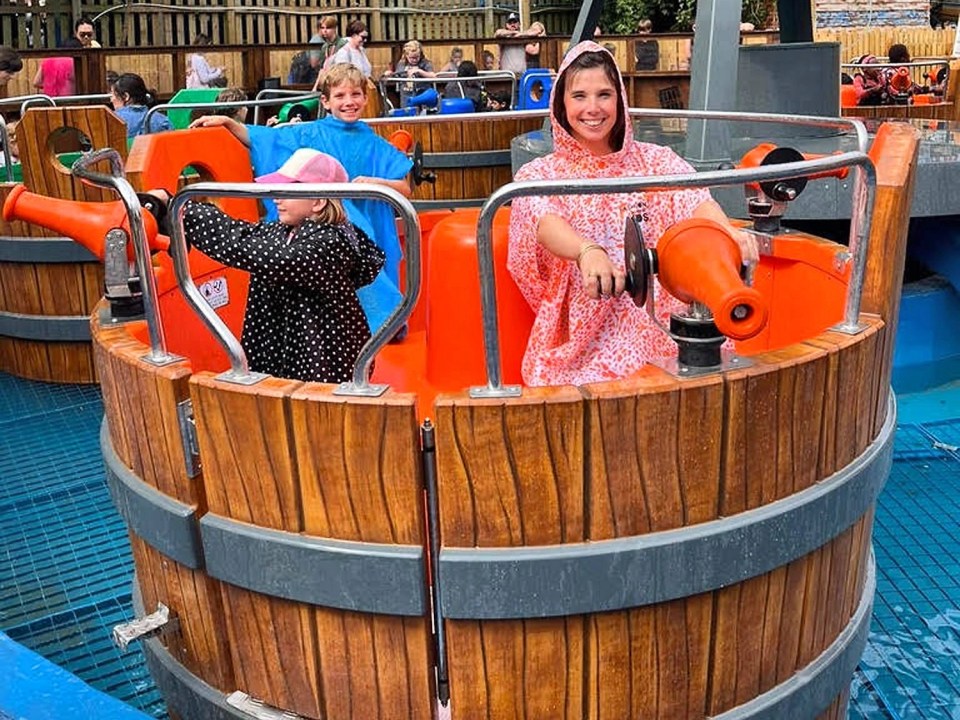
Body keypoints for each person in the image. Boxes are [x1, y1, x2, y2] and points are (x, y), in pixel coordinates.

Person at [507, 41, 757, 387]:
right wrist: (586, 251)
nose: (592, 108)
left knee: (701, 363)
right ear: (561, 104)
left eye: (604, 95)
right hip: (583, 324)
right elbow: (545, 220)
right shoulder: (540, 174)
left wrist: (725, 232)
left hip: (655, 316)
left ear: (620, 100)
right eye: (579, 96)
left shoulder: (654, 160)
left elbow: (695, 200)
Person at [190, 63, 412, 333]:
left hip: (369, 229)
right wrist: (229, 123)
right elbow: (269, 139)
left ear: (365, 98)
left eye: (355, 95)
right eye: (340, 96)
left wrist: (375, 184)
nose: (349, 102)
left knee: (371, 281)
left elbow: (404, 188)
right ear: (325, 101)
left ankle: (383, 328)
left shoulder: (376, 144)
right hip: (326, 229)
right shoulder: (310, 133)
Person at [143, 150, 384, 383]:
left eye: (286, 191)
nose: (276, 198)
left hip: (323, 362)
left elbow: (263, 255)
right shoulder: (289, 231)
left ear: (318, 202)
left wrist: (185, 212)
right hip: (287, 354)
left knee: (316, 413)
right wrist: (174, 205)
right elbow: (242, 232)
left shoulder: (329, 244)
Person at [110, 72, 173, 137]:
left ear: (126, 96)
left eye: (112, 95)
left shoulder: (111, 121)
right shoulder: (163, 121)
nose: (111, 100)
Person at [383, 40, 436, 106]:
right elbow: (397, 76)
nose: (414, 60)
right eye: (411, 58)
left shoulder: (425, 63)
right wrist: (390, 74)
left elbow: (433, 76)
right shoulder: (402, 64)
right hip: (406, 98)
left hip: (423, 97)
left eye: (417, 57)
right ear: (406, 55)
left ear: (420, 54)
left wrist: (420, 71)